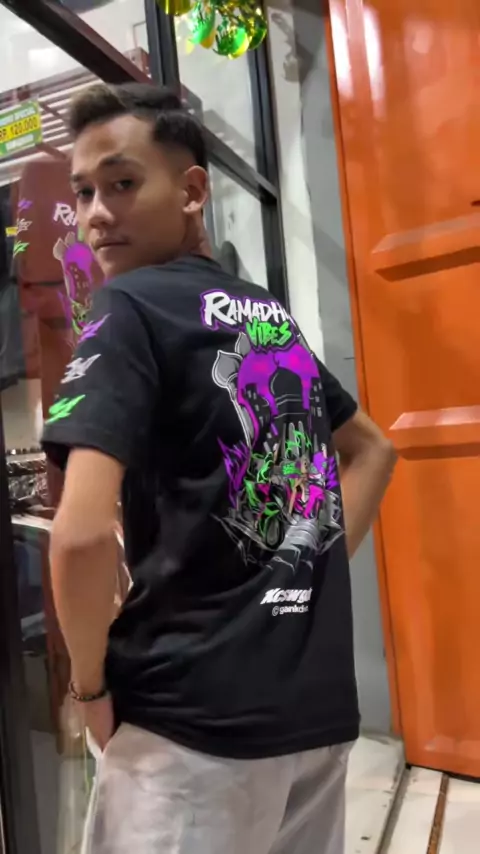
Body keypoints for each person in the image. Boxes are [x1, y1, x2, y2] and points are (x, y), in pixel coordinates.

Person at [42, 83, 397, 854]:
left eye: (122, 182)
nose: (96, 213)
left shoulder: (129, 309)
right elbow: (373, 448)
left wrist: (89, 687)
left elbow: (78, 538)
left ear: (193, 190)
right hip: (312, 713)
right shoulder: (266, 314)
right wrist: (308, 565)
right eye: (84, 192)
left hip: (189, 726)